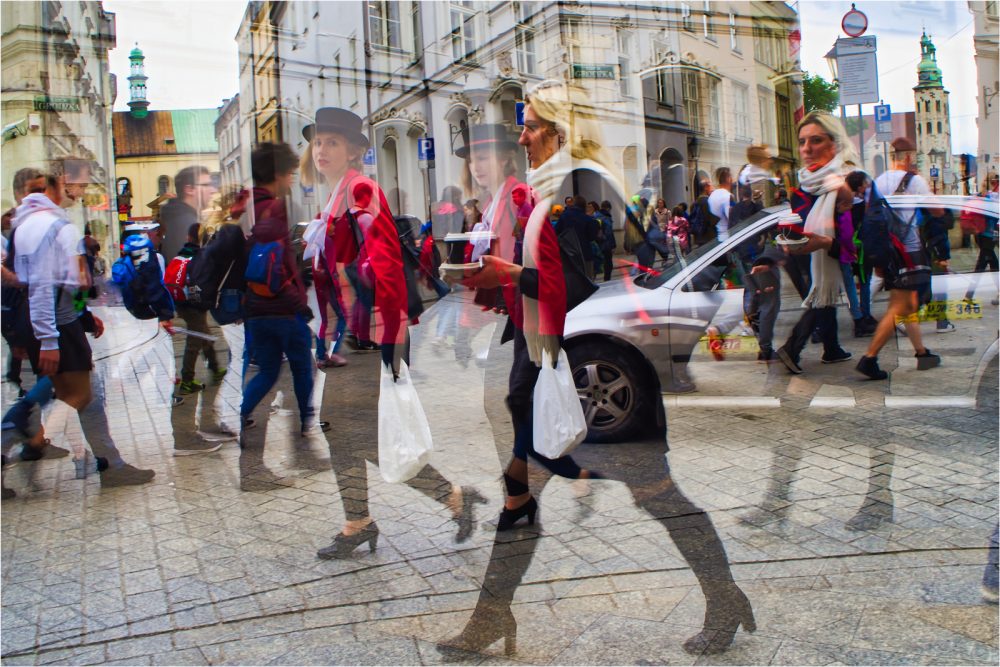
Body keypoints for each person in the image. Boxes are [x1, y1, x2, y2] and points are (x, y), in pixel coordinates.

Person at [444, 79, 753, 657]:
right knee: (518, 492)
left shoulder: (573, 191)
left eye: (531, 124)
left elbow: (581, 288)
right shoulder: (539, 195)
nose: (522, 133)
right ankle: (491, 617)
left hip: (596, 379)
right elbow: (543, 287)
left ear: (559, 132)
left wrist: (507, 275)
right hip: (544, 369)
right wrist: (492, 285)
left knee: (656, 493)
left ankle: (724, 595)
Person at [295, 108, 481, 557]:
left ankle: (377, 517)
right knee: (350, 431)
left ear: (356, 150)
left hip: (370, 332)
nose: (321, 150)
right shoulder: (337, 196)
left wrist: (389, 334)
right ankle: (433, 502)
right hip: (349, 333)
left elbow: (381, 266)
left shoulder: (360, 190)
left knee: (345, 429)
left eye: (332, 143)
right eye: (318, 142)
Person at [4, 167, 155, 491]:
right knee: (79, 394)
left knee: (80, 394)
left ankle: (109, 463)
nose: (78, 193)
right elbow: (46, 286)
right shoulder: (46, 225)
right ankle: (23, 443)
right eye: (75, 186)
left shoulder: (26, 226)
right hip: (56, 327)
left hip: (52, 324)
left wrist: (83, 317)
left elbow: (53, 284)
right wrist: (48, 339)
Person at [239, 142, 329, 438]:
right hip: (282, 311)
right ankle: (307, 421)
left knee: (266, 370)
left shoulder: (243, 206)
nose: (291, 179)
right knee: (303, 367)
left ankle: (241, 413)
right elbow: (275, 268)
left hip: (254, 309)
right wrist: (298, 304)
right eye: (289, 173)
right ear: (277, 173)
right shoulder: (273, 209)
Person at [855, 137, 943, 379]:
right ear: (907, 157)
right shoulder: (915, 181)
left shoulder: (879, 181)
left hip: (889, 252)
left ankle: (922, 353)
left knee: (907, 305)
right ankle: (869, 358)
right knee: (898, 307)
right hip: (910, 251)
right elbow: (938, 210)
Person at [774, 111, 855, 374]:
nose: (807, 148)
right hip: (805, 254)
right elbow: (798, 219)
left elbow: (860, 231)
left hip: (831, 251)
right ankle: (792, 348)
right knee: (820, 298)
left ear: (834, 144)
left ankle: (830, 349)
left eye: (816, 140)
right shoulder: (804, 183)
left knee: (823, 297)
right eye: (802, 141)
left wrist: (823, 241)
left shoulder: (851, 178)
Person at [159, 166, 224, 395]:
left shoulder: (180, 216)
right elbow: (190, 261)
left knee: (203, 331)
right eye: (207, 185)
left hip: (184, 290)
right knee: (197, 335)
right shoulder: (185, 220)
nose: (212, 189)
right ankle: (187, 379)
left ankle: (216, 368)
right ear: (190, 189)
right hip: (187, 292)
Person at [708, 167, 735, 242]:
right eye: (731, 176)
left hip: (716, 237)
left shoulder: (712, 195)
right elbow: (732, 220)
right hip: (727, 238)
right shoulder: (728, 196)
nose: (733, 179)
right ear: (728, 178)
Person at [595, 199, 616, 280]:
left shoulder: (596, 215)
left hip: (597, 244)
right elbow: (609, 233)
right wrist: (613, 245)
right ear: (608, 208)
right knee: (608, 264)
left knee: (599, 262)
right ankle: (607, 280)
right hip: (606, 245)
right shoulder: (606, 217)